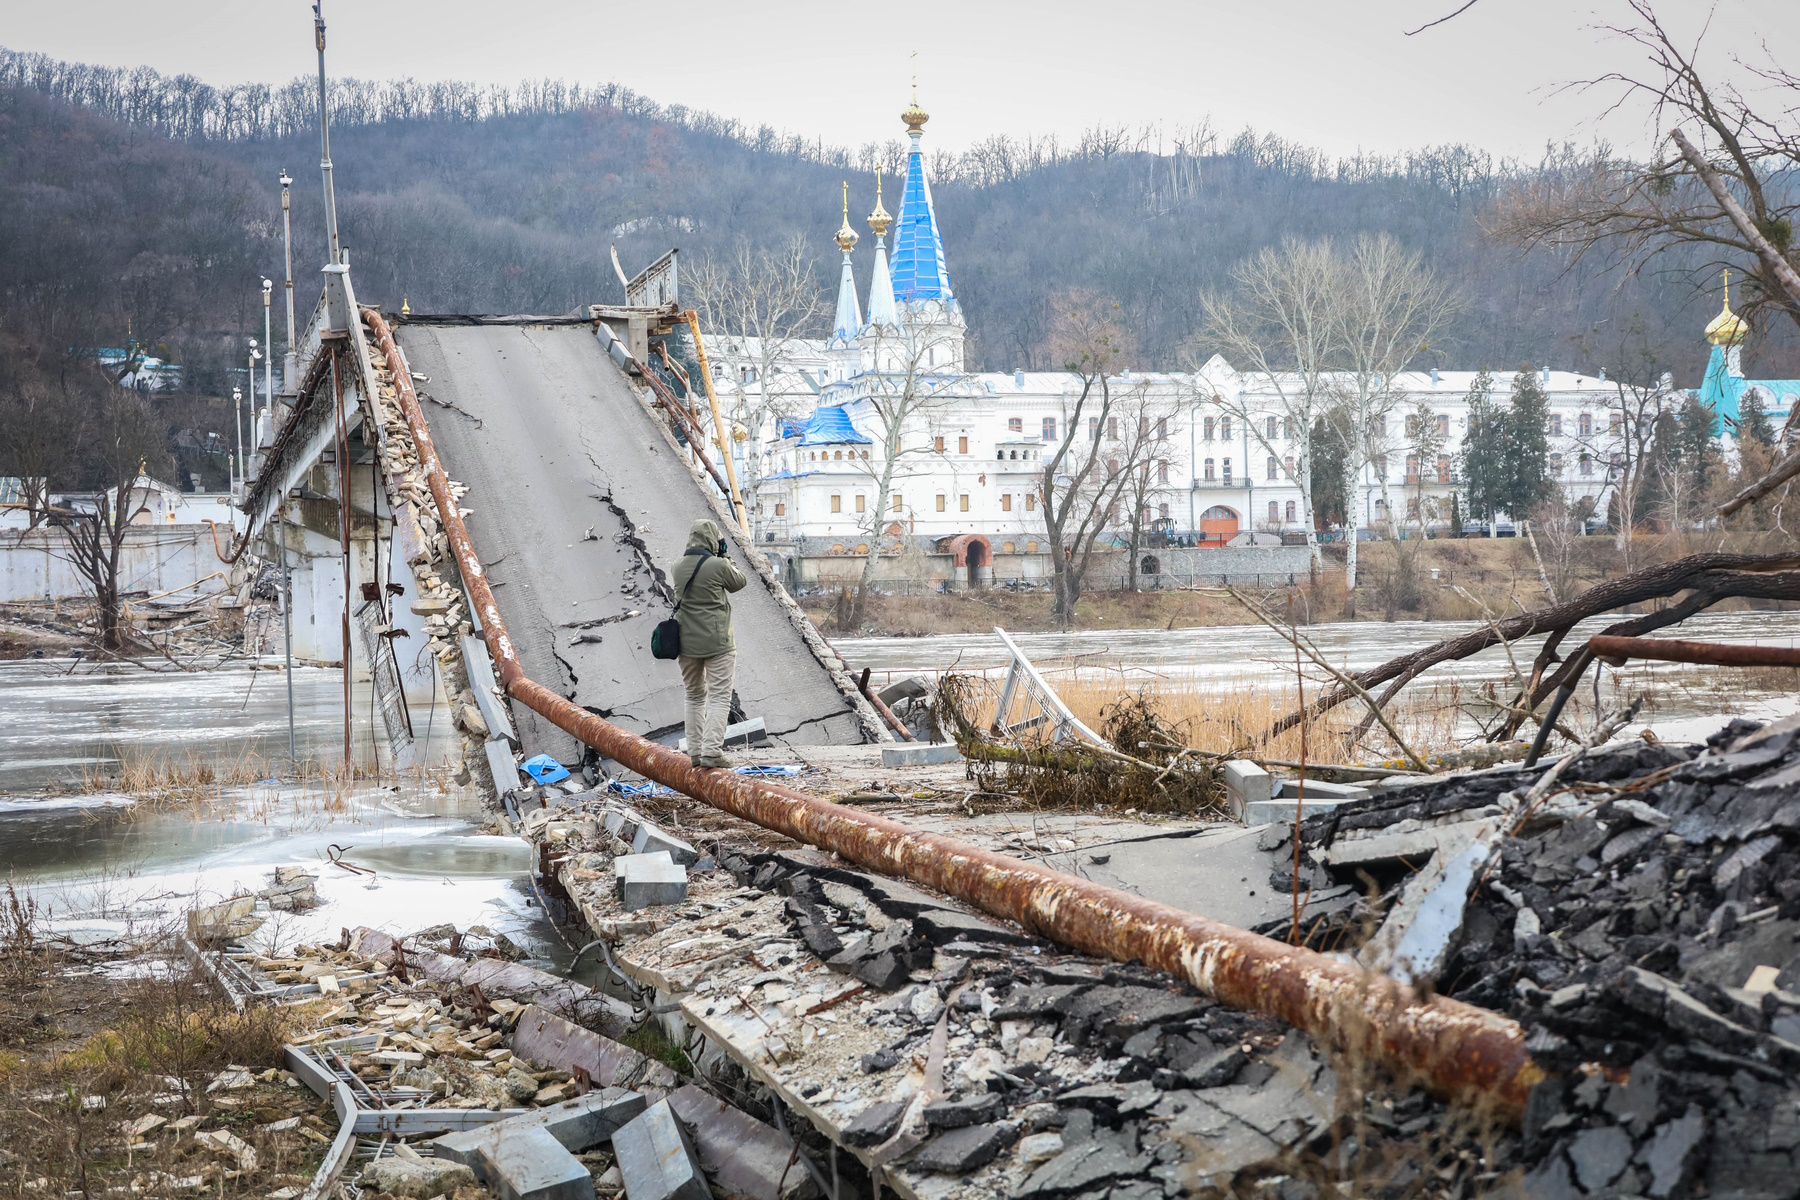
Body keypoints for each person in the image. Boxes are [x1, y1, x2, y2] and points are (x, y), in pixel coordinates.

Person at [670, 518, 747, 768]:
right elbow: (739, 582)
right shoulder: (717, 565)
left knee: (693, 696)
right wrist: (725, 555)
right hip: (717, 643)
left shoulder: (677, 566)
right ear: (713, 540)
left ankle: (694, 753)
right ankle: (712, 752)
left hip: (687, 644)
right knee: (719, 697)